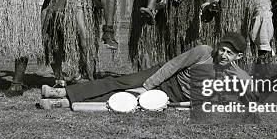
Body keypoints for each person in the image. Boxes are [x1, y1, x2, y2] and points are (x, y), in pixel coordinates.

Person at [40, 32, 251, 106]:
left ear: (238, 57)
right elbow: (172, 66)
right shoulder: (204, 52)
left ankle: (62, 103)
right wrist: (147, 85)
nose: (223, 55)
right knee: (120, 82)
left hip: (176, 97)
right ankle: (63, 92)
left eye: (229, 53)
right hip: (165, 77)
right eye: (223, 50)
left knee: (124, 99)